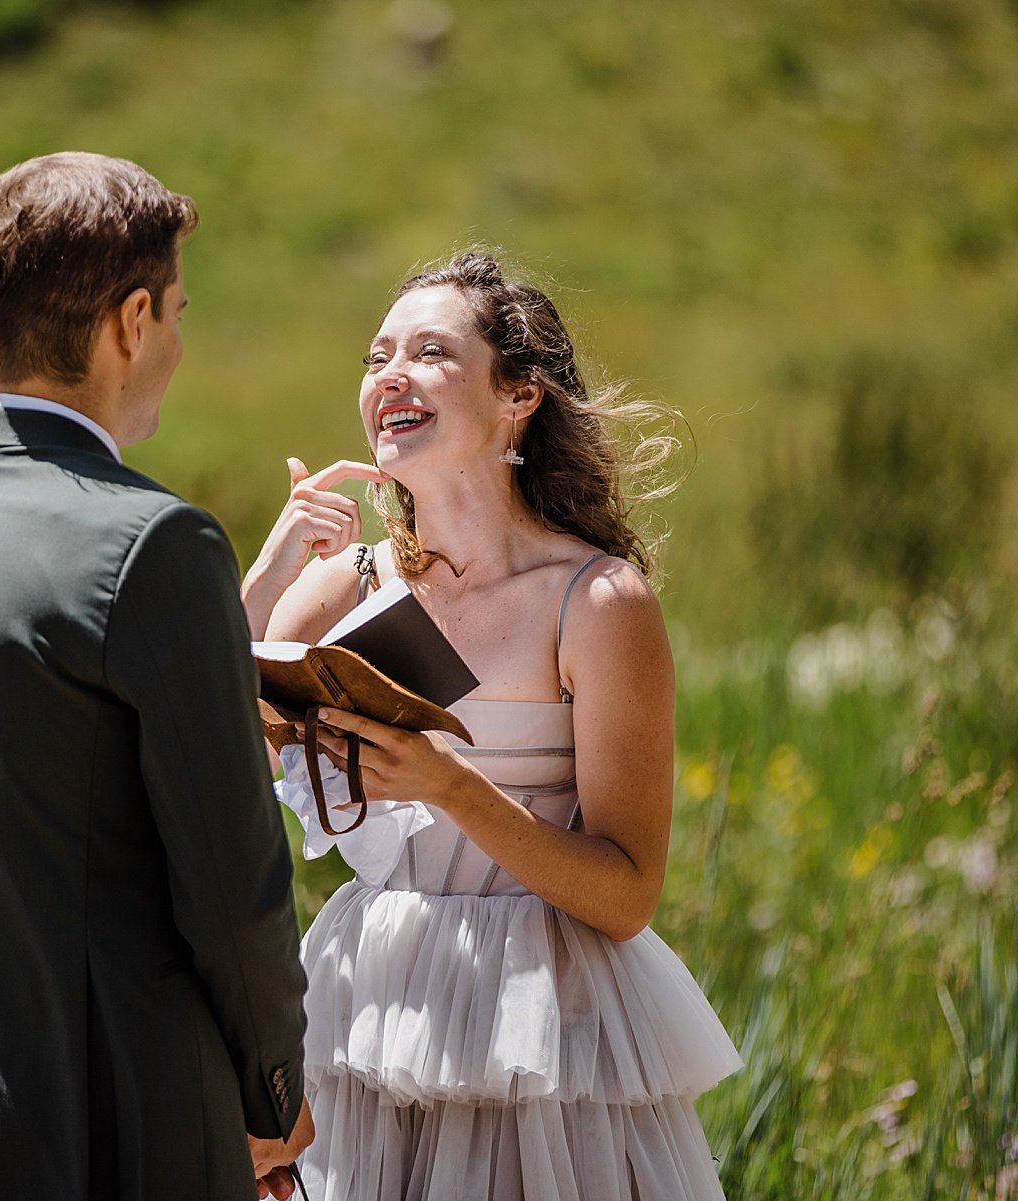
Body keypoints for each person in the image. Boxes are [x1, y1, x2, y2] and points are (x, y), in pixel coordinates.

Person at [0, 152, 313, 1201]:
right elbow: (234, 889)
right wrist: (274, 1091)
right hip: (124, 1125)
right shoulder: (158, 544)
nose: (179, 338)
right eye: (177, 308)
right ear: (131, 320)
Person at [243, 251, 742, 1200]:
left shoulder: (596, 600)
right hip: (366, 1009)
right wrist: (266, 578)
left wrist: (447, 786)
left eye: (429, 352)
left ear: (519, 396)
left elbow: (628, 893)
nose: (389, 373)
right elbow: (196, 751)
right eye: (376, 353)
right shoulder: (345, 583)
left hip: (542, 1026)